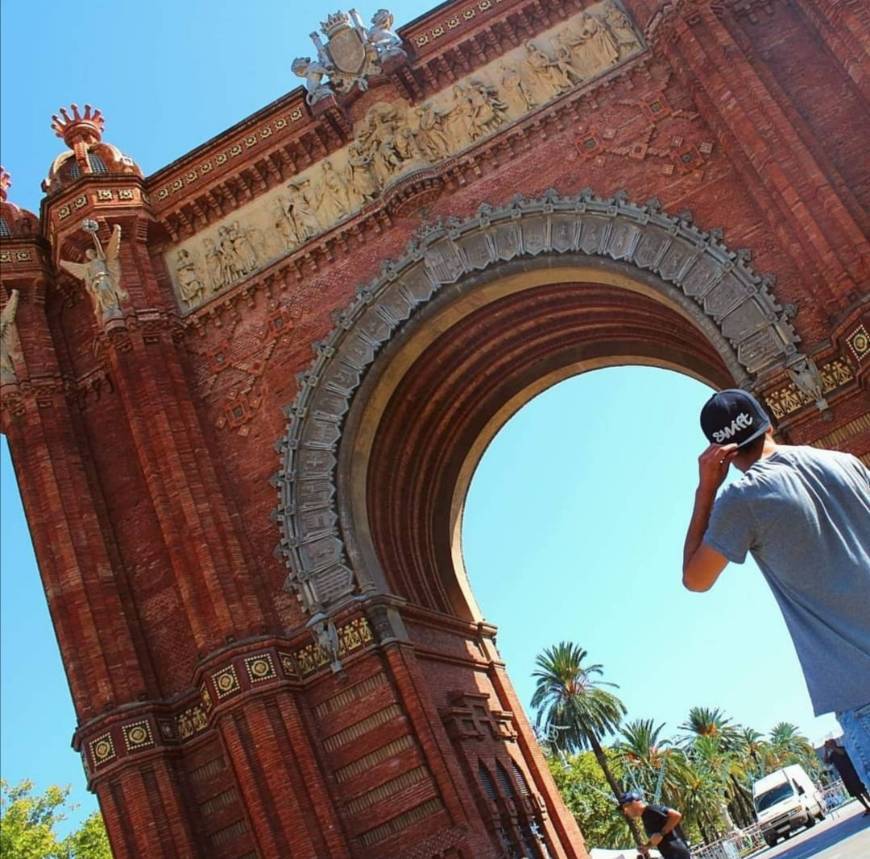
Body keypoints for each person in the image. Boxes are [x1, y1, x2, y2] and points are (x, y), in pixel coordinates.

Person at [682, 388, 870, 790]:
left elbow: (695, 579)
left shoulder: (742, 497)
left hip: (861, 686)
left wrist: (706, 490)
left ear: (722, 453)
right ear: (767, 420)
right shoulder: (845, 462)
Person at [618, 790, 691, 858]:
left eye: (625, 807)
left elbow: (676, 815)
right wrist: (646, 847)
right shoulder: (646, 816)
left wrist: (661, 833)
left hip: (678, 853)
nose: (625, 812)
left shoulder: (651, 810)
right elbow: (656, 838)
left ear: (634, 803)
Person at [824, 739, 870, 815]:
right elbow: (826, 762)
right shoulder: (832, 754)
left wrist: (832, 747)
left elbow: (842, 753)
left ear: (834, 743)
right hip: (844, 775)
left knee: (861, 789)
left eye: (830, 743)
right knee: (855, 793)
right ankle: (867, 807)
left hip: (852, 772)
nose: (829, 745)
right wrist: (826, 750)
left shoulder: (842, 748)